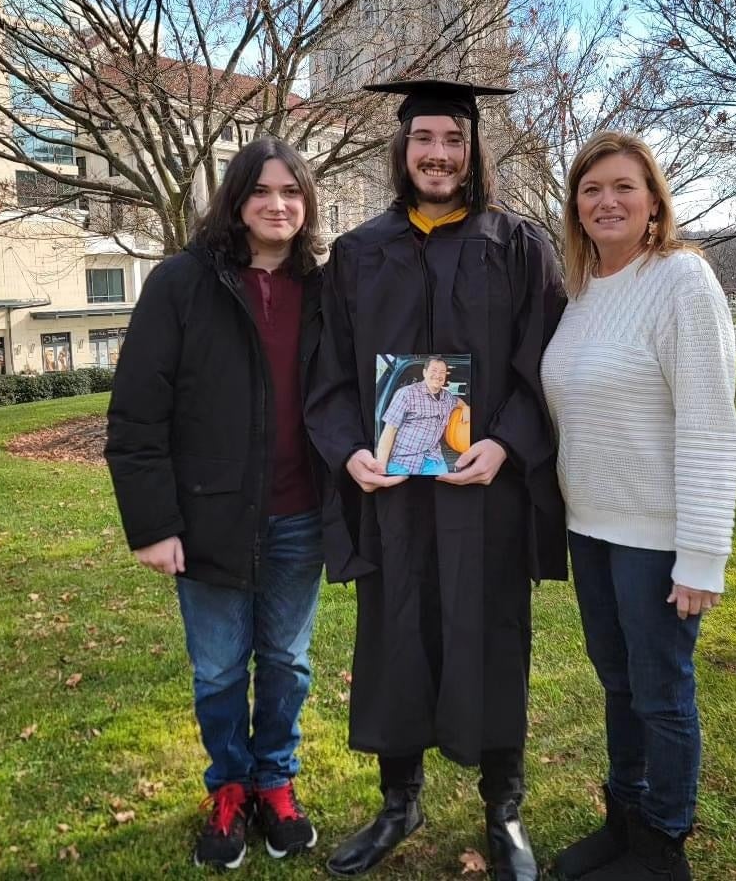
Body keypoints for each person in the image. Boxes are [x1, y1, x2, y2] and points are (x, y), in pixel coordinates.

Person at [305, 79, 566, 881]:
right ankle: (399, 800)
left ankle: (505, 808)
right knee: (397, 634)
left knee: (492, 633)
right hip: (393, 494)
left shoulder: (518, 245)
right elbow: (327, 374)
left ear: (474, 150)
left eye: (453, 141)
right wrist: (351, 449)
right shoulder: (355, 254)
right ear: (403, 149)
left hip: (481, 490)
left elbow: (550, 364)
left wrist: (510, 445)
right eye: (424, 139)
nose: (439, 155)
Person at [105, 138, 326, 869]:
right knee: (222, 670)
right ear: (235, 199)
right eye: (262, 191)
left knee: (288, 664)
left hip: (300, 515)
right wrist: (154, 524)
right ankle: (229, 786)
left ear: (307, 203)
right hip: (207, 519)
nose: (278, 204)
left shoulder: (324, 290)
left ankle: (276, 781)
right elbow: (137, 412)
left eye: (292, 192)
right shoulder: (181, 283)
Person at [540, 131, 736, 881]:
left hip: (656, 536)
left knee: (660, 694)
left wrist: (702, 556)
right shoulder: (585, 292)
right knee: (618, 684)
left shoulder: (683, 281)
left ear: (654, 200)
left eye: (624, 186)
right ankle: (624, 819)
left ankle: (663, 846)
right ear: (576, 208)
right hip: (589, 527)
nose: (607, 201)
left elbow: (709, 423)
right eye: (591, 190)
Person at [376, 356, 467, 476]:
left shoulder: (447, 397)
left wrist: (466, 407)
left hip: (433, 459)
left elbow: (459, 401)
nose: (438, 375)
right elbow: (389, 431)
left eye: (442, 372)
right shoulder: (406, 394)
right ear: (424, 372)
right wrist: (380, 469)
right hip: (402, 460)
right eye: (434, 370)